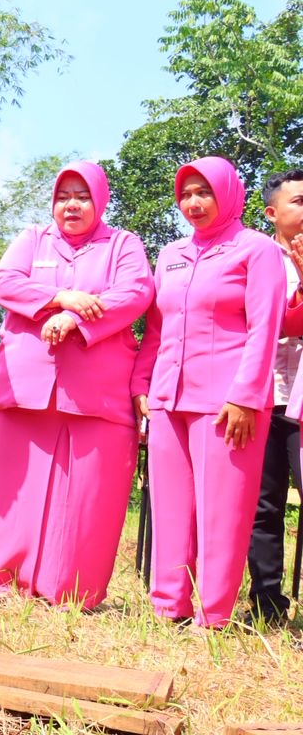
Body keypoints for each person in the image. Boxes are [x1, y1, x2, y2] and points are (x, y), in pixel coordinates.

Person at [0, 161, 154, 609]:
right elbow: (3, 282)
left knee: (89, 493)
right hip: (26, 384)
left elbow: (135, 293)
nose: (71, 205)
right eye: (63, 196)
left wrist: (74, 318)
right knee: (14, 484)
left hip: (97, 392)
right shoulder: (32, 239)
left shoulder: (123, 245)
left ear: (100, 201)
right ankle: (6, 583)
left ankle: (72, 590)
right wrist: (58, 297)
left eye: (82, 196)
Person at [132, 156, 284, 630]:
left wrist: (245, 396)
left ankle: (213, 616)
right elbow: (155, 327)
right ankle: (167, 608)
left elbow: (265, 328)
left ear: (228, 194)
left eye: (204, 192)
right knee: (171, 507)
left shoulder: (255, 250)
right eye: (186, 193)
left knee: (222, 514)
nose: (193, 203)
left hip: (226, 405)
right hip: (167, 398)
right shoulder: (171, 253)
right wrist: (142, 384)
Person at [248, 169, 303, 625]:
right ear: (273, 212)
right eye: (299, 201)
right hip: (262, 396)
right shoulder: (252, 255)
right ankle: (266, 608)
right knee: (261, 506)